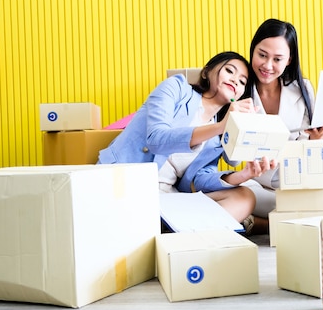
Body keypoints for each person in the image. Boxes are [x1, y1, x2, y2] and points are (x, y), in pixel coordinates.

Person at [97, 51, 276, 230]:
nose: (236, 80)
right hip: (126, 184)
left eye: (243, 81)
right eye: (229, 71)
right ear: (206, 72)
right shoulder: (177, 88)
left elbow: (198, 181)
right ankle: (184, 234)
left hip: (165, 198)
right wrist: (221, 126)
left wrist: (242, 175)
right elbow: (156, 138)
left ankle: (180, 236)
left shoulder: (217, 138)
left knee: (245, 197)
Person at [243, 19, 323, 228]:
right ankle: (278, 222)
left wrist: (317, 138)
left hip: (294, 181)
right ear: (253, 50)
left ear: (289, 60)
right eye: (262, 55)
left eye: (277, 59)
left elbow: (307, 145)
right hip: (255, 183)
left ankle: (262, 224)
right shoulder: (240, 87)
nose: (267, 65)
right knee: (239, 196)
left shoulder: (302, 88)